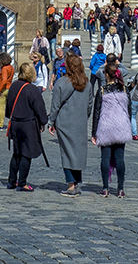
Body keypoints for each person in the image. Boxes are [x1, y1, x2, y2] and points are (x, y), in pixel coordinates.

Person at [48, 53, 91, 196]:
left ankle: (71, 184)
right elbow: (90, 105)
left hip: (65, 121)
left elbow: (55, 106)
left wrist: (51, 121)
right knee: (78, 152)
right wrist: (84, 117)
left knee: (67, 153)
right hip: (80, 121)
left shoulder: (61, 83)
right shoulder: (87, 83)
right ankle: (77, 181)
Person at [5, 61, 48, 191]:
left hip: (15, 124)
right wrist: (43, 121)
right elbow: (39, 109)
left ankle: (11, 181)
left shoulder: (13, 86)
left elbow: (8, 108)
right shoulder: (32, 89)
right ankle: (22, 182)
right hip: (28, 125)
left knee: (16, 153)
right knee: (26, 154)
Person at [92, 60, 131, 196]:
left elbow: (96, 112)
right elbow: (129, 110)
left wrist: (94, 132)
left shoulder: (102, 90)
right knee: (120, 158)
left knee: (105, 158)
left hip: (106, 126)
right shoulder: (124, 89)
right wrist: (128, 125)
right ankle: (120, 189)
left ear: (106, 75)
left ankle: (105, 188)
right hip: (121, 125)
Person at [0, 52, 14, 129]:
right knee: (10, 107)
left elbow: (4, 80)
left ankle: (0, 124)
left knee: (2, 108)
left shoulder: (4, 69)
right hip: (10, 88)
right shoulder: (11, 67)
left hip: (4, 89)